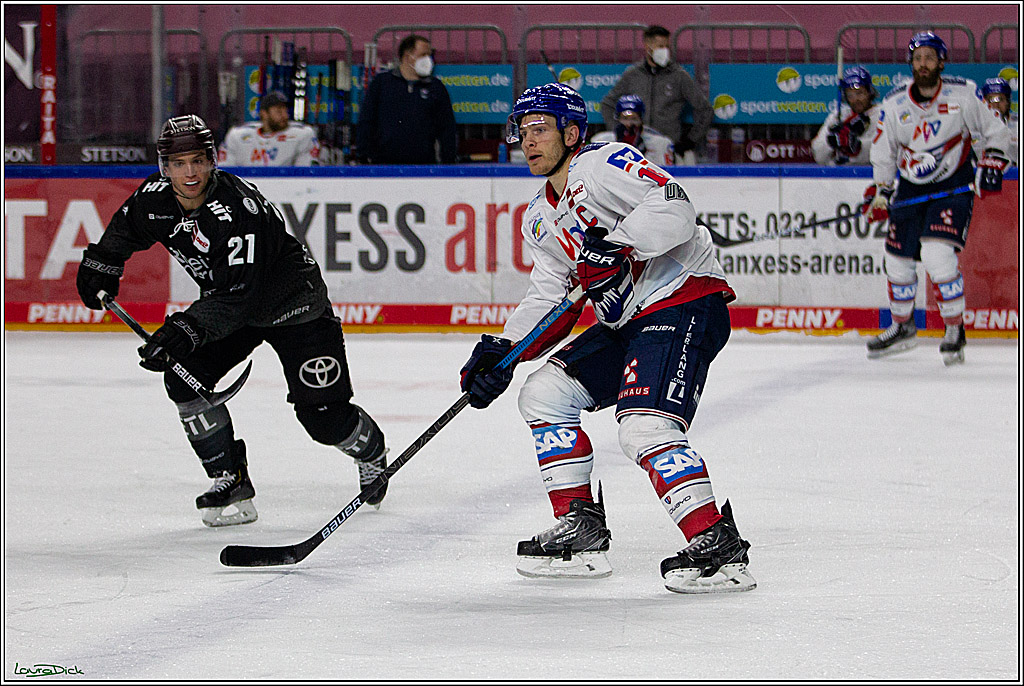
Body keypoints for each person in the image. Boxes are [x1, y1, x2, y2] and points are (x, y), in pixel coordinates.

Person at [457, 83, 754, 594]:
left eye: (540, 130)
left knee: (643, 429)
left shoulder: (604, 164)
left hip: (683, 300)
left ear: (571, 133)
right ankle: (581, 528)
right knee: (543, 394)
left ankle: (716, 541)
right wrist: (503, 351)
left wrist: (616, 245)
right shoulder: (538, 218)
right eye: (522, 132)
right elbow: (552, 298)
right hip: (627, 323)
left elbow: (677, 209)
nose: (528, 142)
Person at [76, 115, 389, 526]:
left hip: (294, 307)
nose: (189, 173)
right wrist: (101, 265)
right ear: (163, 167)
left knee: (324, 419)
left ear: (213, 160)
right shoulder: (153, 198)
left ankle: (372, 451)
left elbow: (240, 297)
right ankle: (230, 477)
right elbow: (125, 230)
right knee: (182, 377)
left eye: (198, 161)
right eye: (178, 163)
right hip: (233, 306)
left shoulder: (238, 211)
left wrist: (181, 331)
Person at [863, 32, 1012, 365]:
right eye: (917, 58)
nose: (923, 64)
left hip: (953, 186)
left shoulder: (965, 94)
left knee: (937, 255)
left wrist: (993, 160)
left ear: (942, 62)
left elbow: (996, 131)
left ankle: (954, 329)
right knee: (896, 262)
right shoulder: (895, 102)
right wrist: (881, 191)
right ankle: (902, 327)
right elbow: (883, 151)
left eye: (930, 57)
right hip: (911, 189)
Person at [600, 25, 712, 164]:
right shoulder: (633, 75)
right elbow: (608, 104)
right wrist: (618, 129)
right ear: (648, 47)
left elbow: (705, 109)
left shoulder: (679, 76)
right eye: (660, 46)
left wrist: (689, 140)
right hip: (638, 149)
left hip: (668, 147)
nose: (665, 51)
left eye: (667, 46)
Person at [355, 34, 457, 164]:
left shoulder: (435, 87)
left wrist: (448, 162)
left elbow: (447, 128)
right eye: (423, 55)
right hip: (384, 165)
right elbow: (366, 120)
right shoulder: (382, 83)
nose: (428, 60)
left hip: (424, 166)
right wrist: (363, 156)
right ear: (408, 56)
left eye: (429, 55)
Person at [219, 91, 320, 166]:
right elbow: (225, 170)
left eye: (286, 111)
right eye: (279, 111)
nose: (285, 116)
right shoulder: (238, 135)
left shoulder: (302, 134)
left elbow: (306, 173)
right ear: (264, 113)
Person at [811, 66, 881, 166]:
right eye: (850, 95)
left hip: (871, 174)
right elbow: (818, 155)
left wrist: (858, 146)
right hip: (840, 176)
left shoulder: (882, 114)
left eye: (859, 93)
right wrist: (830, 143)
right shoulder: (839, 115)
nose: (856, 99)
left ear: (869, 92)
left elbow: (884, 151)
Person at [592, 94, 679, 166]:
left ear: (641, 119)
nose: (629, 124)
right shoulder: (600, 141)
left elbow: (666, 174)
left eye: (634, 118)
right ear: (618, 119)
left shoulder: (660, 143)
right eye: (625, 118)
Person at [977, 77, 1018, 166]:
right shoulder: (974, 127)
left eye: (1000, 99)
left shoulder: (1018, 126)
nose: (996, 104)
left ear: (1008, 102)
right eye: (991, 100)